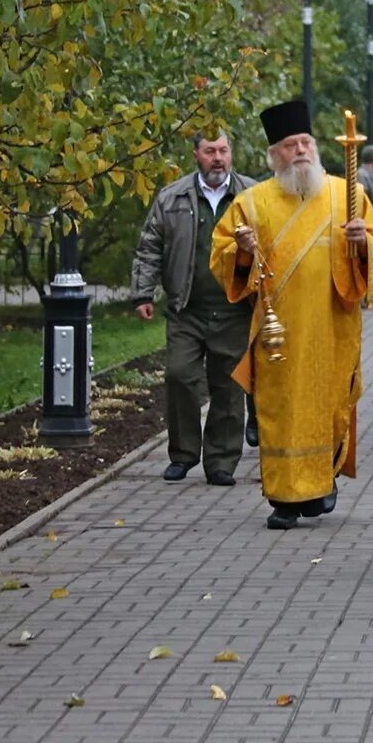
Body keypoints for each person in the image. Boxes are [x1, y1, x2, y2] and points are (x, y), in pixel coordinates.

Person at [211, 99, 373, 530]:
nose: (301, 152)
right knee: (280, 411)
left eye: (305, 142)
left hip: (333, 326)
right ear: (275, 155)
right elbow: (222, 256)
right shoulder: (252, 204)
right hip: (280, 331)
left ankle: (321, 484)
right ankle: (284, 498)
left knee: (329, 407)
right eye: (290, 146)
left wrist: (360, 242)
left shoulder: (346, 195)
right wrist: (243, 252)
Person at [131, 129, 258, 485]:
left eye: (223, 150)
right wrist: (143, 293)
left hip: (235, 308)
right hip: (186, 308)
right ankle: (184, 453)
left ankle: (221, 461)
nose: (217, 158)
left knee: (229, 387)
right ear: (195, 155)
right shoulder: (172, 198)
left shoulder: (251, 196)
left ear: (231, 153)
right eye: (209, 151)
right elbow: (149, 246)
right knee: (178, 376)